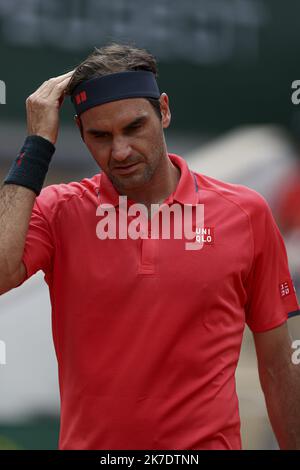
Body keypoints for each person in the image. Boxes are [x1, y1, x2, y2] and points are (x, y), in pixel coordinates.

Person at [0, 43, 299, 450]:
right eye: (100, 135)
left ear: (164, 110)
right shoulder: (59, 211)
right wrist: (36, 146)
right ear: (80, 132)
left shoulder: (246, 214)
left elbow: (279, 366)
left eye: (134, 127)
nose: (120, 151)